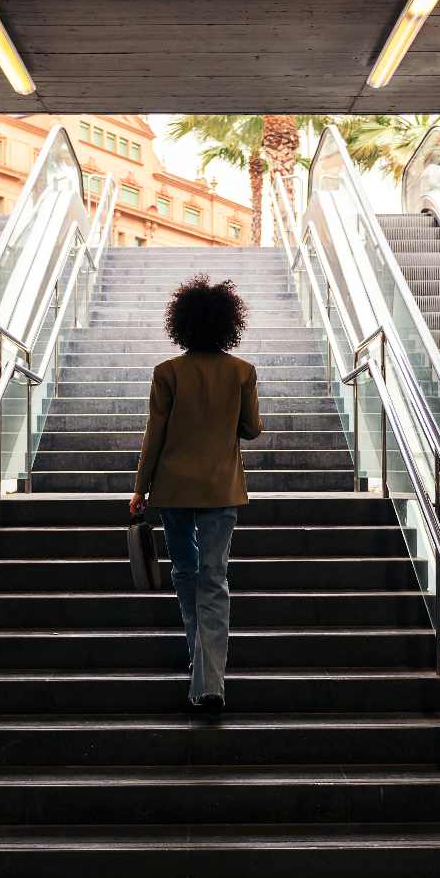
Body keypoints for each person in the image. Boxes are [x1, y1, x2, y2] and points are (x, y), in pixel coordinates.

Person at [129, 274, 262, 715]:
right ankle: (210, 681)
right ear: (229, 324)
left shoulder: (166, 373)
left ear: (181, 324)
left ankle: (201, 667)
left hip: (172, 488)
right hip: (222, 489)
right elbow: (251, 429)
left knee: (186, 574)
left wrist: (139, 489)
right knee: (214, 579)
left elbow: (155, 434)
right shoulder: (242, 372)